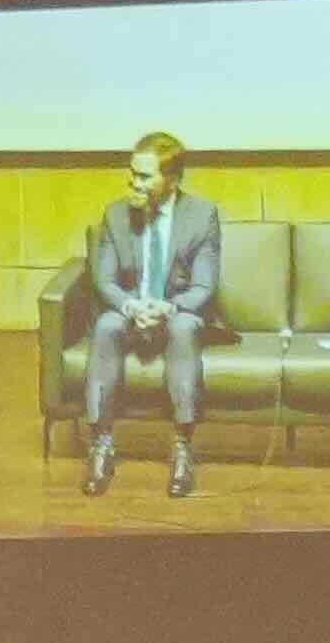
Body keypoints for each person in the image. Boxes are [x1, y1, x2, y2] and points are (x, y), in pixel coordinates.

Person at [72, 128, 223, 501]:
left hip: (175, 313)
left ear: (171, 180)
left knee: (185, 328)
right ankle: (102, 444)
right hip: (130, 311)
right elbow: (103, 280)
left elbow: (204, 288)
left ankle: (183, 446)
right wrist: (131, 305)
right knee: (106, 325)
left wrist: (168, 307)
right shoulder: (115, 214)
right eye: (132, 173)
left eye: (144, 175)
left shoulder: (201, 216)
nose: (133, 182)